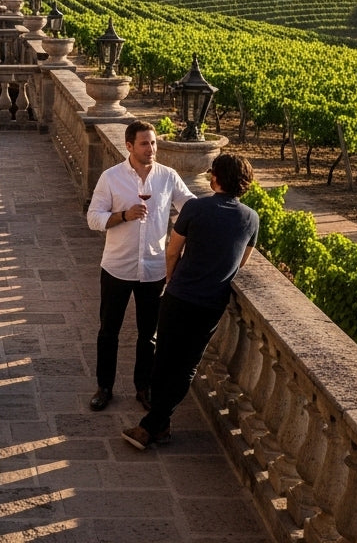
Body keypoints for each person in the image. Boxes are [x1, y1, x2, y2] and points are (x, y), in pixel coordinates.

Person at [122, 152, 259, 450]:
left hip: (179, 294)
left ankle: (150, 426)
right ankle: (161, 425)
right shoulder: (251, 218)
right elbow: (242, 262)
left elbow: (173, 251)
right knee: (187, 366)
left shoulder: (196, 208)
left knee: (164, 357)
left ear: (215, 178)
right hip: (212, 303)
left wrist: (170, 278)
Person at [86, 119, 194, 412]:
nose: (151, 148)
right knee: (109, 331)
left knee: (149, 335)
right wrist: (123, 215)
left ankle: (143, 388)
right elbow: (93, 218)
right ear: (129, 146)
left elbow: (190, 207)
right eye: (145, 143)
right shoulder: (111, 178)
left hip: (154, 269)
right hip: (117, 267)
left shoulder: (167, 176)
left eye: (154, 142)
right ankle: (104, 387)